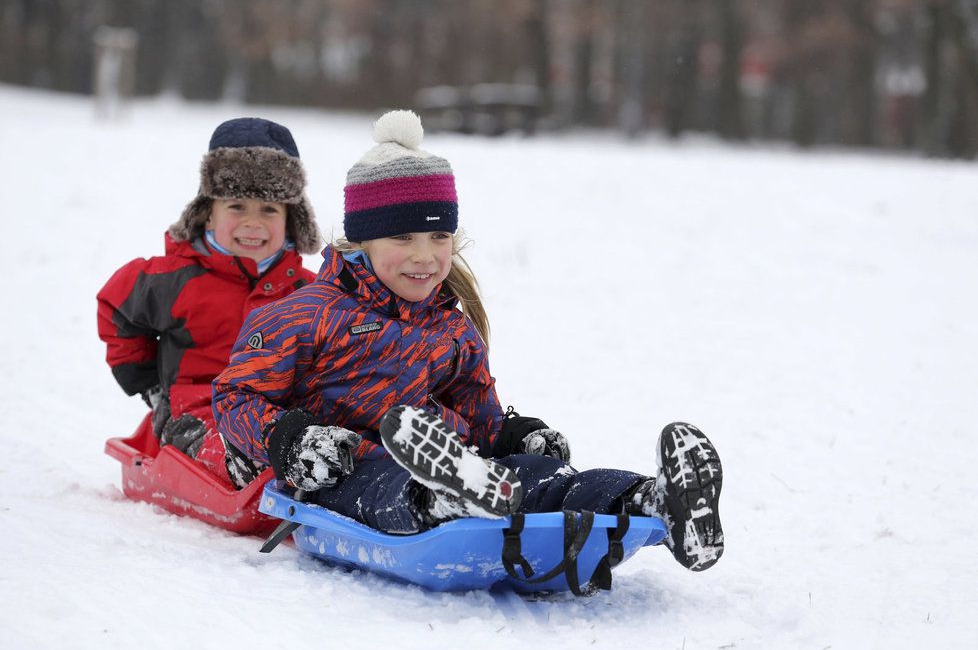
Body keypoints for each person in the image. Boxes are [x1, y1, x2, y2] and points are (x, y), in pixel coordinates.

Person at [212, 111, 724, 571]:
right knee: (379, 487)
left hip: (462, 463)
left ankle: (649, 502)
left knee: (543, 477)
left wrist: (511, 437)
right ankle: (443, 500)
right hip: (347, 472)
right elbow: (235, 396)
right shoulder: (304, 314)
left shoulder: (450, 326)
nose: (425, 256)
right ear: (360, 241)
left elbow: (476, 409)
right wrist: (292, 440)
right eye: (403, 238)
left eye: (439, 238)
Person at [97, 117, 321, 483]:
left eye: (269, 210)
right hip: (196, 409)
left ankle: (340, 470)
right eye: (236, 207)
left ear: (292, 221)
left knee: (318, 430)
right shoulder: (175, 277)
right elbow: (115, 306)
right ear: (208, 213)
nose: (253, 223)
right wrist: (149, 382)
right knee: (216, 444)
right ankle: (245, 467)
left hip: (276, 412)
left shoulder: (306, 292)